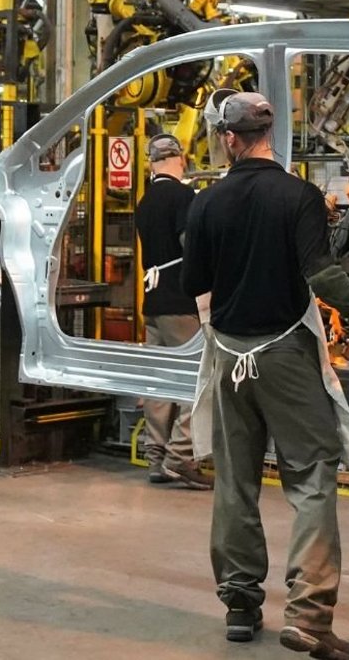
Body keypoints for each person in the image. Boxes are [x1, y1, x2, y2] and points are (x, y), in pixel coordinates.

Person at [182, 90, 349, 660]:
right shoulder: (300, 196)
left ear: (229, 139)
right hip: (286, 357)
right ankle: (309, 617)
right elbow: (324, 276)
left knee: (235, 482)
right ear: (267, 136)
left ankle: (241, 605)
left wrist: (225, 338)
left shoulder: (206, 203)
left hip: (228, 359)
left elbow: (199, 287)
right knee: (312, 482)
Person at [135, 133, 212, 490]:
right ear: (178, 159)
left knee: (158, 381)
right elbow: (189, 244)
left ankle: (155, 456)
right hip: (181, 301)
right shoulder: (183, 196)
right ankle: (181, 457)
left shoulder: (145, 200)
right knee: (194, 379)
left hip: (152, 301)